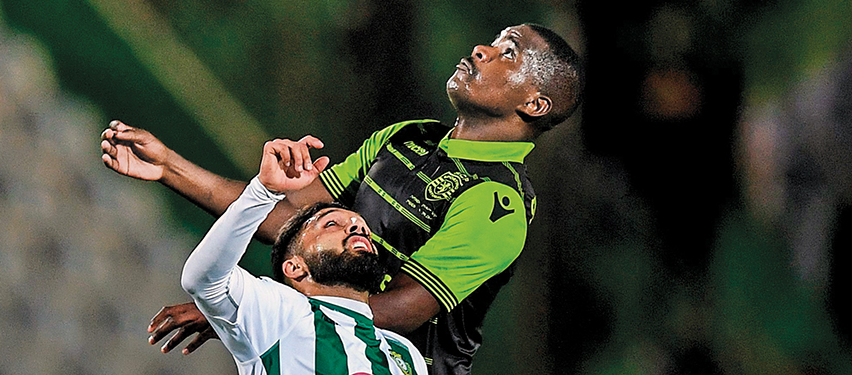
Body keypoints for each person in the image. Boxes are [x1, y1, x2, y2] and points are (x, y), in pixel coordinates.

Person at [102, 23, 583, 375]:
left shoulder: (498, 204)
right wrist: (169, 167)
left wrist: (258, 310)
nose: (481, 49)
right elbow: (292, 222)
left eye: (508, 53)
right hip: (323, 350)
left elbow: (399, 311)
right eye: (493, 42)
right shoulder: (405, 137)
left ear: (534, 105)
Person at [181, 134, 431, 375]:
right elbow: (204, 282)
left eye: (363, 229)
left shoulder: (405, 354)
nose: (357, 227)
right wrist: (263, 192)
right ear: (295, 268)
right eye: (331, 224)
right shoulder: (281, 313)